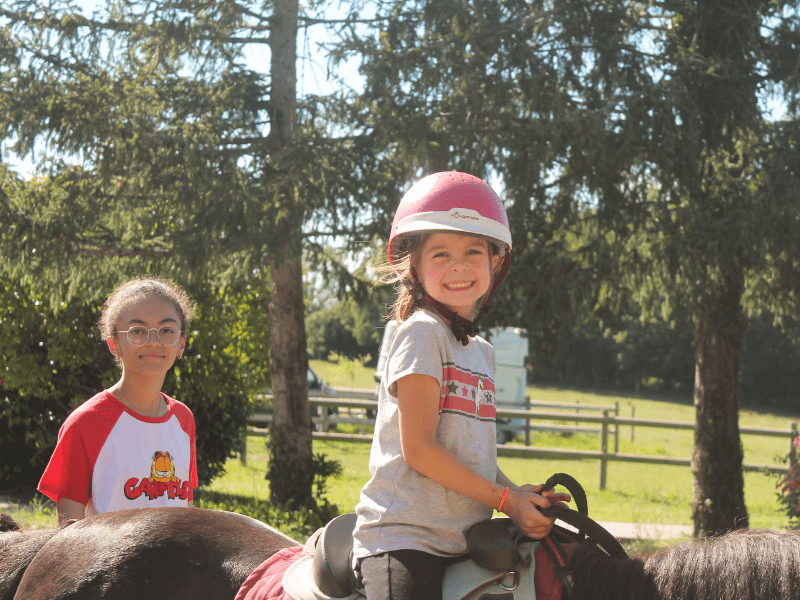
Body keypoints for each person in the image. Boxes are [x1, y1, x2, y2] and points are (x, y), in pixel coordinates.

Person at [352, 171, 570, 600]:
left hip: (465, 536)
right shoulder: (421, 333)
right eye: (440, 254)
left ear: (495, 262)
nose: (458, 265)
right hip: (405, 538)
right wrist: (505, 500)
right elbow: (420, 449)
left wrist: (515, 491)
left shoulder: (482, 353)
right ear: (412, 265)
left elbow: (470, 451)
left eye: (474, 251)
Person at [38, 276, 199, 525]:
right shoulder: (85, 422)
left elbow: (186, 516)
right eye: (137, 331)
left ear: (181, 344)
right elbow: (65, 537)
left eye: (166, 330)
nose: (154, 341)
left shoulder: (183, 420)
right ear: (114, 344)